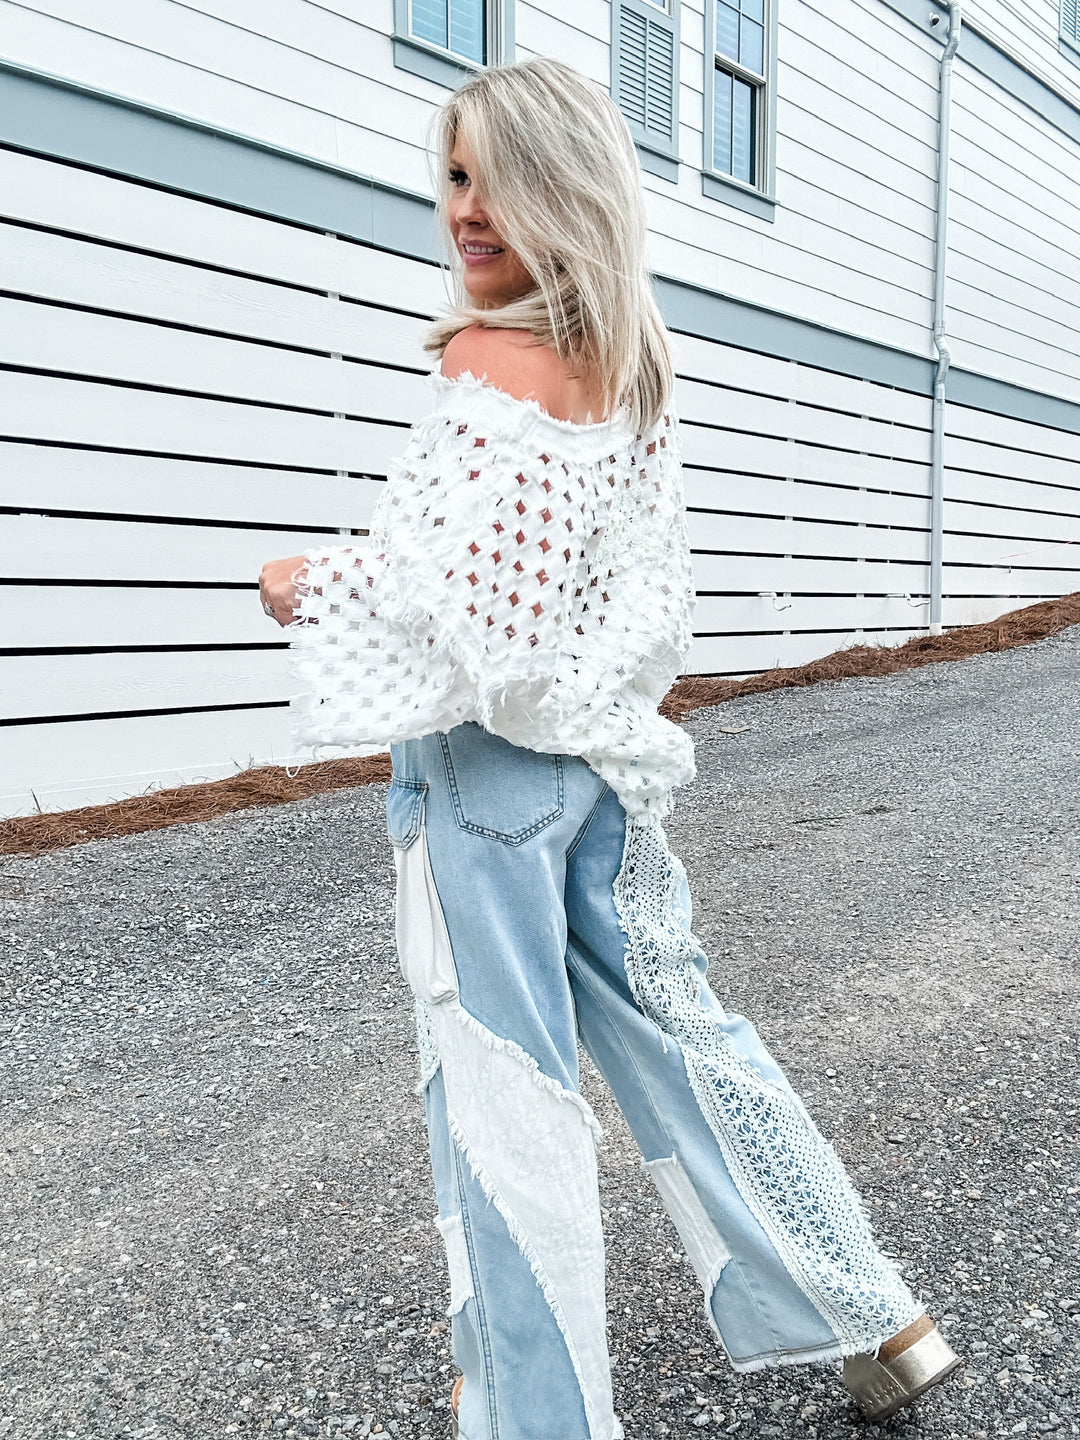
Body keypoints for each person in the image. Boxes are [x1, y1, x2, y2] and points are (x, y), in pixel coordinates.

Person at [258, 56, 962, 1440]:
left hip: (484, 777)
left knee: (504, 1093)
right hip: (596, 767)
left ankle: (538, 1414)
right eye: (454, 177)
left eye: (497, 182)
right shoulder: (628, 367)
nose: (466, 211)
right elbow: (634, 596)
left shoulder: (486, 364)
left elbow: (470, 616)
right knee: (688, 1036)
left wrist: (309, 583)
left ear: (564, 189)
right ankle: (879, 1316)